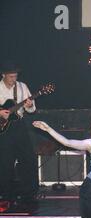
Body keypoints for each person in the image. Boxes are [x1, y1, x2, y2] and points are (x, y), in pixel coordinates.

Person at [0, 62, 38, 206]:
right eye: (10, 77)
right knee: (5, 162)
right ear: (3, 75)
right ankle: (6, 194)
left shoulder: (22, 86)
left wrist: (29, 105)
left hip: (19, 125)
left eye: (15, 76)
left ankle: (29, 194)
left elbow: (30, 109)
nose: (13, 79)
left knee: (28, 159)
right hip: (3, 129)